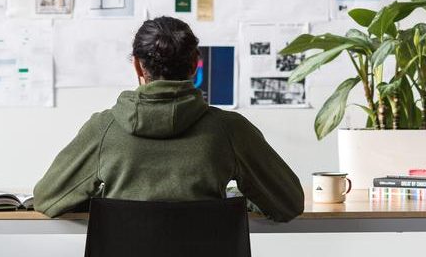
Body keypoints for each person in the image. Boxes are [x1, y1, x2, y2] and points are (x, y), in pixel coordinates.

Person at [33, 16, 304, 222]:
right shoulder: (230, 130)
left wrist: (106, 201)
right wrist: (234, 200)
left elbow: (48, 199)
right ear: (196, 64)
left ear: (138, 65)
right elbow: (288, 204)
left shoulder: (104, 129)